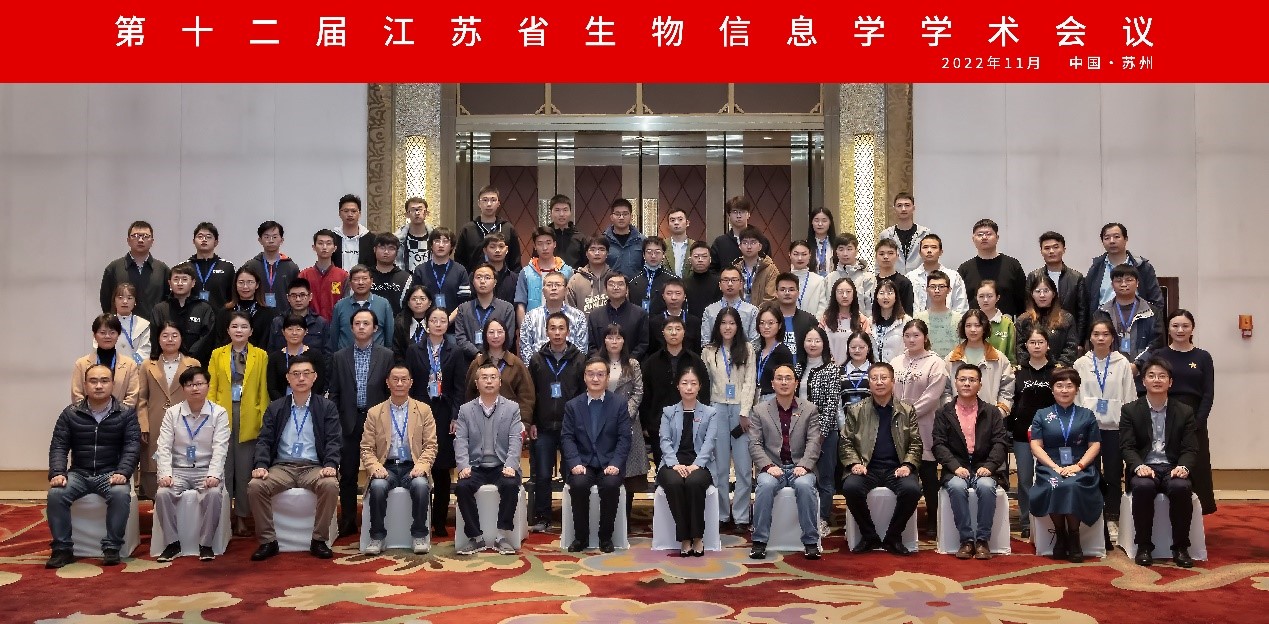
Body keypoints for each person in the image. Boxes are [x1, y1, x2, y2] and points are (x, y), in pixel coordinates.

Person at [45, 364, 142, 569]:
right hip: (79, 473)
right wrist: (58, 472)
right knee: (56, 494)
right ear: (85, 384)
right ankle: (62, 549)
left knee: (119, 493)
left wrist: (123, 472)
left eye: (104, 381)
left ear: (112, 384)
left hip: (111, 473)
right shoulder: (70, 414)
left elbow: (132, 446)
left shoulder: (125, 414)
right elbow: (59, 446)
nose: (99, 386)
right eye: (93, 381)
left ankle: (112, 547)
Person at [246, 355, 342, 561]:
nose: (301, 378)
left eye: (306, 374)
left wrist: (330, 464)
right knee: (255, 486)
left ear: (314, 377)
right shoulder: (276, 407)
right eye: (296, 374)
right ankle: (268, 541)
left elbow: (334, 440)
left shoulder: (326, 407)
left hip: (313, 467)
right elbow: (264, 440)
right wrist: (261, 464)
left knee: (330, 485)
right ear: (288, 378)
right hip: (282, 467)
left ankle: (318, 540)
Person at [1121, 358, 1200, 568]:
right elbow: (1127, 447)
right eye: (1152, 376)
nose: (1157, 380)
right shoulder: (1130, 410)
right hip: (1145, 467)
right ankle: (1144, 546)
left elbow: (1190, 448)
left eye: (1162, 376)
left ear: (1170, 382)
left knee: (1181, 487)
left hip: (1173, 467)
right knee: (1142, 487)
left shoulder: (1184, 411)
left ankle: (1180, 548)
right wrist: (1138, 466)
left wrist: (1183, 467)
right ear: (1143, 381)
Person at [840, 363, 922, 555]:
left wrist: (908, 465)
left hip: (897, 468)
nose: (879, 382)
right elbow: (846, 442)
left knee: (912, 490)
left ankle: (893, 537)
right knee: (851, 487)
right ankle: (869, 536)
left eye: (884, 378)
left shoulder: (906, 410)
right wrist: (854, 463)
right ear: (869, 383)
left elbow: (916, 443)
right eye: (874, 378)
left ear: (893, 382)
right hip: (867, 468)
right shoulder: (856, 410)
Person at [152, 366, 231, 562]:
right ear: (183, 389)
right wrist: (165, 473)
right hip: (179, 470)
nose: (195, 388)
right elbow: (163, 446)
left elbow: (220, 447)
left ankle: (206, 544)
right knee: (162, 494)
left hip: (206, 470)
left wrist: (214, 474)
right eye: (189, 385)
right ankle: (172, 544)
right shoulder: (172, 413)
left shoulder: (219, 413)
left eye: (199, 384)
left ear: (208, 386)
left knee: (214, 493)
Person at [932, 364, 1009, 560]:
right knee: (957, 487)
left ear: (980, 385)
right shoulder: (944, 412)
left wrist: (990, 466)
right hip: (956, 468)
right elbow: (939, 445)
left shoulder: (991, 412)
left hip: (984, 467)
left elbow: (1000, 443)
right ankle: (966, 540)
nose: (967, 383)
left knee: (986, 487)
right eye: (962, 379)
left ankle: (982, 540)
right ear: (955, 383)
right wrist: (954, 466)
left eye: (972, 380)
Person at [360, 364, 438, 555]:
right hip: (386, 467)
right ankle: (377, 537)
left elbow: (431, 445)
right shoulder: (375, 412)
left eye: (404, 379)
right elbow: (366, 448)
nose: (400, 383)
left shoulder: (424, 410)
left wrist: (423, 465)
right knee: (377, 487)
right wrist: (374, 466)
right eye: (395, 379)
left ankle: (419, 535)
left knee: (421, 485)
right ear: (388, 383)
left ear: (411, 383)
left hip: (413, 466)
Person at [1028, 368, 1103, 563]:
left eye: (1069, 386)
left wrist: (1079, 466)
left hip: (1080, 467)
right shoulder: (1042, 414)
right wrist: (1054, 466)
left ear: (1077, 389)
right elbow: (1036, 445)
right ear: (1052, 389)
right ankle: (1060, 534)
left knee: (1072, 485)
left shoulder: (1087, 415)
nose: (1064, 390)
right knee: (1055, 484)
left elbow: (1095, 445)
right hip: (1050, 466)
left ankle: (1074, 537)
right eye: (1059, 386)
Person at [748, 364, 823, 560]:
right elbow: (755, 444)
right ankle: (759, 541)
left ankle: (811, 542)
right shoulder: (760, 410)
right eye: (779, 378)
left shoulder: (809, 409)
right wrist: (768, 466)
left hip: (800, 467)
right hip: (772, 467)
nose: (784, 382)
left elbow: (814, 441)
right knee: (764, 486)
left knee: (805, 486)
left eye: (788, 378)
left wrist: (804, 465)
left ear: (796, 383)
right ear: (772, 383)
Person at [405, 306, 468, 535]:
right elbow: (409, 383)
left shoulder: (455, 350)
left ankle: (439, 522)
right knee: (420, 465)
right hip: (420, 411)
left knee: (442, 469)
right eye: (434, 320)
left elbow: (459, 387)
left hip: (444, 412)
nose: (439, 324)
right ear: (427, 324)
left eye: (443, 320)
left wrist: (455, 415)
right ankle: (421, 519)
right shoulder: (414, 349)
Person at [207, 311, 270, 537]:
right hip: (222, 414)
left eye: (244, 326)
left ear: (251, 331)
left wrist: (263, 419)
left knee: (244, 471)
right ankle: (224, 516)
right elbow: (211, 388)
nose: (239, 330)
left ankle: (242, 516)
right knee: (224, 468)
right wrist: (210, 416)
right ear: (228, 330)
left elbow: (263, 390)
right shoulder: (217, 354)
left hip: (249, 415)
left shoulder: (261, 355)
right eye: (234, 326)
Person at [454, 361, 526, 555]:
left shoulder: (512, 408)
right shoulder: (465, 410)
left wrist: (511, 465)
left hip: (502, 465)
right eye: (484, 378)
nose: (488, 381)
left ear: (500, 382)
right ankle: (475, 537)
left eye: (493, 377)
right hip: (475, 466)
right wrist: (463, 466)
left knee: (511, 484)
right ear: (476, 383)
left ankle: (501, 535)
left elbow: (515, 439)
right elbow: (460, 440)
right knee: (462, 487)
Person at [561, 357, 632, 553]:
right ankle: (581, 537)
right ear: (584, 377)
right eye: (591, 374)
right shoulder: (573, 405)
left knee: (610, 486)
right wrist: (574, 463)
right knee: (578, 485)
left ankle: (605, 537)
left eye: (600, 374)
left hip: (609, 463)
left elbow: (624, 438)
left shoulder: (619, 404)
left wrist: (616, 463)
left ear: (607, 378)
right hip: (583, 462)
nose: (595, 378)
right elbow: (567, 437)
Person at [1148, 310, 1215, 515]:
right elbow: (1152, 385)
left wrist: (1198, 422)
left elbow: (1208, 393)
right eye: (1175, 326)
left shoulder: (1203, 356)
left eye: (1185, 326)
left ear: (1192, 329)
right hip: (1165, 414)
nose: (1180, 330)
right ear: (1168, 329)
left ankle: (1197, 515)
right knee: (1169, 462)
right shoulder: (1159, 355)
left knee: (1196, 463)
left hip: (1195, 417)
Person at [1073, 318, 1136, 538]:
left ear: (1112, 338)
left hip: (1114, 429)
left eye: (1105, 334)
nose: (1101, 338)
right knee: (1089, 472)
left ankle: (1112, 517)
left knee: (1112, 473)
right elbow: (1075, 395)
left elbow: (1129, 396)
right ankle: (1091, 515)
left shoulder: (1122, 363)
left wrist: (1128, 426)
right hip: (1088, 429)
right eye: (1096, 334)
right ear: (1090, 337)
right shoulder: (1081, 364)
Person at [526, 312, 587, 532]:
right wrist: (532, 421)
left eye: (561, 328)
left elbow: (583, 394)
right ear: (547, 331)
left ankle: (572, 515)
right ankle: (543, 517)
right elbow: (531, 394)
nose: (557, 333)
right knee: (542, 474)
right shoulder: (537, 359)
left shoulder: (579, 359)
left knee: (571, 472)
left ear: (568, 331)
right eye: (553, 328)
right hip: (543, 427)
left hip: (571, 427)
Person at [701, 307, 757, 529]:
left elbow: (750, 382)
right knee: (720, 467)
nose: (727, 327)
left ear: (738, 326)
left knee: (743, 467)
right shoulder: (709, 351)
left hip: (741, 410)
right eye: (723, 323)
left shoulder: (747, 349)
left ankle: (741, 515)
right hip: (717, 409)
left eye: (732, 323)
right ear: (717, 326)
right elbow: (705, 384)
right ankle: (722, 513)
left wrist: (745, 412)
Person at [891, 318, 950, 533]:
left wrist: (907, 414)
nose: (911, 339)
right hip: (897, 425)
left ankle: (933, 518)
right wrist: (897, 414)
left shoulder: (936, 363)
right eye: (907, 336)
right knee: (903, 472)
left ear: (925, 337)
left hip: (925, 425)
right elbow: (889, 390)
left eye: (916, 335)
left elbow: (932, 397)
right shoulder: (896, 362)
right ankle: (903, 519)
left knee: (927, 473)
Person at [658, 366, 718, 557]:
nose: (689, 387)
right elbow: (664, 441)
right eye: (684, 383)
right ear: (678, 386)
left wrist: (696, 465)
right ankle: (685, 538)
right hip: (672, 463)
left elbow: (709, 443)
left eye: (693, 383)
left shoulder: (710, 413)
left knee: (693, 483)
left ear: (700, 386)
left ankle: (697, 537)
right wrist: (674, 464)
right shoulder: (668, 412)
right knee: (674, 483)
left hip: (700, 463)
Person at [137, 322, 201, 498]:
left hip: (185, 423)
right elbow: (141, 398)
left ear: (181, 338)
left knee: (184, 463)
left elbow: (198, 395)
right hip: (155, 422)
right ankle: (156, 503)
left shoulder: (192, 364)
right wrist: (143, 425)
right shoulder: (147, 365)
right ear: (158, 339)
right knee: (154, 465)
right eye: (165, 336)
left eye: (174, 335)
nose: (170, 339)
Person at [641, 317, 711, 467]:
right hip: (659, 424)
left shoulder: (695, 360)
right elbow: (645, 395)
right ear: (663, 333)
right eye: (669, 329)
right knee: (663, 469)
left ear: (684, 333)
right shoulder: (651, 362)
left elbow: (704, 392)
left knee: (691, 469)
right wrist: (646, 424)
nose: (674, 333)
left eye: (678, 329)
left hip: (691, 424)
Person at [1011, 329, 1057, 537]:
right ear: (1026, 346)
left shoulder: (1056, 372)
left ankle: (1048, 517)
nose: (1037, 346)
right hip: (1022, 435)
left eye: (1041, 342)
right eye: (1032, 342)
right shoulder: (1017, 373)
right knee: (1024, 479)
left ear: (1048, 345)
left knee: (1049, 477)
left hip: (1050, 435)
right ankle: (1026, 522)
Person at [797, 326, 843, 536]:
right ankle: (803, 518)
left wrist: (821, 434)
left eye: (817, 340)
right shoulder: (798, 368)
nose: (813, 344)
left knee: (825, 478)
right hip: (800, 432)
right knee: (803, 476)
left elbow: (832, 404)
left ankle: (822, 518)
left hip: (826, 433)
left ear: (824, 343)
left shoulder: (832, 369)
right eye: (809, 340)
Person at [601, 324, 647, 524]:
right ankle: (606, 518)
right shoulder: (597, 362)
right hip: (602, 422)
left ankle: (625, 519)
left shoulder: (632, 364)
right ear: (604, 340)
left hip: (628, 421)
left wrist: (623, 414)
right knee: (606, 469)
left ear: (624, 341)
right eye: (610, 337)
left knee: (627, 472)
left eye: (618, 338)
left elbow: (638, 392)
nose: (614, 341)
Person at [943, 309, 1016, 422]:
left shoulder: (999, 359)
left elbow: (1007, 391)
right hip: (957, 421)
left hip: (990, 421)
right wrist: (952, 413)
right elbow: (945, 390)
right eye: (968, 325)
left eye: (977, 325)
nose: (973, 330)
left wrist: (997, 413)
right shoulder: (952, 359)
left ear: (984, 328)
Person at [1092, 264, 1164, 375]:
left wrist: (1138, 365)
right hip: (1109, 372)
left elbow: (1157, 344)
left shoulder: (1152, 312)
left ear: (1137, 283)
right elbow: (1096, 342)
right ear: (1112, 284)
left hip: (1143, 373)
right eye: (1118, 281)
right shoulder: (1101, 313)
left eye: (1129, 280)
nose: (1123, 284)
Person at [464, 318, 535, 427]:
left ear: (506, 335)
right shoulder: (477, 364)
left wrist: (523, 423)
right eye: (491, 332)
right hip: (481, 424)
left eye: (500, 332)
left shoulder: (516, 364)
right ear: (485, 335)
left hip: (510, 423)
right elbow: (469, 395)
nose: (496, 336)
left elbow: (526, 397)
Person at [1086, 222, 1164, 317]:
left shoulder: (1142, 267)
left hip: (1136, 320)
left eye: (1116, 237)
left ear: (1126, 239)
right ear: (1102, 242)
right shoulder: (1096, 268)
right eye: (1107, 238)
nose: (1112, 241)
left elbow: (1156, 300)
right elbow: (1087, 302)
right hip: (1103, 321)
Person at [99, 220, 170, 321]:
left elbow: (167, 301)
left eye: (145, 236)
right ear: (128, 240)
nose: (140, 240)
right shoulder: (114, 268)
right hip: (120, 326)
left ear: (152, 241)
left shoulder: (162, 269)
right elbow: (106, 301)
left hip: (154, 327)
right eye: (135, 236)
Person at [957, 218, 1028, 317]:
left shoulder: (1012, 265)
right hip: (974, 324)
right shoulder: (965, 269)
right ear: (973, 239)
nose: (984, 237)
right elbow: (959, 302)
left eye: (988, 234)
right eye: (980, 234)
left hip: (1006, 324)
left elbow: (1022, 299)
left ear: (997, 237)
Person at [151, 263, 218, 365]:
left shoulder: (204, 308)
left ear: (193, 283)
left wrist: (188, 359)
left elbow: (207, 338)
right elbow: (155, 338)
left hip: (196, 365)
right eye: (176, 279)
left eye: (184, 279)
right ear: (169, 283)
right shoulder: (160, 309)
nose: (180, 283)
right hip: (165, 364)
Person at [72, 314, 142, 409]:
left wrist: (117, 414)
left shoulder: (130, 364)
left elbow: (132, 396)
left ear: (118, 335)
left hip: (120, 416)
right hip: (87, 416)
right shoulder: (81, 364)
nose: (107, 336)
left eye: (112, 332)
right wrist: (91, 414)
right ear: (94, 335)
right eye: (102, 332)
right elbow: (77, 395)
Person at [519, 271, 588, 365]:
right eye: (549, 285)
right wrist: (534, 368)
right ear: (543, 291)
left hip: (571, 368)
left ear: (566, 290)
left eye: (558, 285)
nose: (553, 288)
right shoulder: (531, 317)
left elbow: (582, 349)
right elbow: (525, 348)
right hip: (538, 368)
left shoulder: (578, 316)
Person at [1032, 231, 1088, 341]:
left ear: (1064, 249)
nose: (1051, 251)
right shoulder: (1034, 276)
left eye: (1055, 247)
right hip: (1039, 337)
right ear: (1041, 251)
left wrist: (1080, 342)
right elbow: (1029, 307)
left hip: (1068, 335)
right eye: (1047, 248)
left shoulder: (1076, 278)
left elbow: (1082, 312)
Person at [455, 263, 518, 360]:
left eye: (487, 278)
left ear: (495, 282)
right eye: (478, 277)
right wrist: (477, 354)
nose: (482, 281)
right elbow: (460, 338)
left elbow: (508, 338)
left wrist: (490, 355)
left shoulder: (507, 308)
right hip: (469, 361)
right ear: (473, 282)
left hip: (498, 361)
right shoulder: (463, 309)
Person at [1015, 273, 1079, 367]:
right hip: (1031, 371)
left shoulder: (1066, 318)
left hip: (1059, 371)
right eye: (1038, 291)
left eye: (1046, 291)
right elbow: (1020, 349)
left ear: (1053, 294)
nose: (1042, 295)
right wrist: (1032, 367)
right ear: (1032, 294)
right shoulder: (1023, 320)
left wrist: (1059, 366)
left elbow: (1071, 347)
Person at [455, 185, 523, 272]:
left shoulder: (507, 229)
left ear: (498, 203)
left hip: (503, 278)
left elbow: (515, 260)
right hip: (475, 278)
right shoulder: (468, 230)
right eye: (485, 200)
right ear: (479, 203)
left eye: (493, 200)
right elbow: (459, 260)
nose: (489, 204)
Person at [517, 226, 575, 326]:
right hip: (534, 326)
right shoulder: (526, 273)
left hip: (561, 327)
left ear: (554, 244)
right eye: (540, 244)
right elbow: (520, 305)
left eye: (548, 243)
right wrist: (524, 329)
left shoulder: (567, 271)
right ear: (534, 246)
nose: (545, 248)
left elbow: (572, 303)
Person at [329, 265, 394, 350]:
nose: (360, 282)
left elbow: (389, 338)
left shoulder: (383, 304)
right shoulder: (340, 305)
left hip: (377, 356)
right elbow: (334, 338)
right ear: (350, 283)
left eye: (364, 278)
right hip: (346, 357)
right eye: (356, 279)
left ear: (371, 281)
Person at [211, 266, 277, 351]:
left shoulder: (267, 313)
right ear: (235, 284)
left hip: (258, 357)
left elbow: (268, 344)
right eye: (241, 282)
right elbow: (218, 342)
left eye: (250, 282)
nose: (245, 287)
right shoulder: (225, 312)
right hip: (227, 357)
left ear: (257, 285)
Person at [587, 273, 650, 360]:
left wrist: (630, 361)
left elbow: (643, 343)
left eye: (620, 284)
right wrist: (601, 363)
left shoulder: (640, 314)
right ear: (605, 289)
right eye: (611, 284)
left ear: (627, 289)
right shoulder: (595, 316)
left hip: (631, 364)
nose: (616, 287)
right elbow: (591, 346)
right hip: (602, 365)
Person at [267, 315, 328, 400]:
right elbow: (272, 388)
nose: (294, 333)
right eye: (290, 329)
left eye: (298, 329)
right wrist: (283, 404)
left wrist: (308, 402)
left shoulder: (315, 355)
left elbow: (320, 384)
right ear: (283, 332)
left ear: (306, 331)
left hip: (311, 403)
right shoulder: (275, 357)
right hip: (282, 404)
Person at [241, 221, 300, 309]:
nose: (271, 240)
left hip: (284, 314)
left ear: (282, 240)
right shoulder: (251, 266)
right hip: (257, 313)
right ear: (260, 240)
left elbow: (297, 293)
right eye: (266, 237)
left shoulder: (291, 267)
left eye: (275, 237)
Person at [412, 226, 472, 313]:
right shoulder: (420, 270)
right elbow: (416, 300)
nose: (441, 245)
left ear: (452, 246)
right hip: (427, 320)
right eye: (437, 241)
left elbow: (464, 303)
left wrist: (448, 319)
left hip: (454, 320)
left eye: (445, 241)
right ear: (431, 245)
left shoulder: (460, 270)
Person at [907, 234, 969, 314]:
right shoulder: (910, 277)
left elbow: (961, 305)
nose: (929, 250)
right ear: (920, 252)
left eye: (934, 247)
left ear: (941, 252)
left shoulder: (953, 276)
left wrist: (955, 321)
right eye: (925, 247)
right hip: (917, 321)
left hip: (949, 320)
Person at [266, 278, 330, 356]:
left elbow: (327, 354)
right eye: (293, 296)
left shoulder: (320, 323)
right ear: (288, 298)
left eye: (302, 295)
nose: (298, 299)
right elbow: (271, 351)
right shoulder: (278, 322)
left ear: (310, 296)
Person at [297, 229, 350, 323]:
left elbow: (345, 305)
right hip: (309, 326)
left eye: (328, 243)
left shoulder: (343, 276)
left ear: (335, 248)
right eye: (320, 243)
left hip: (335, 325)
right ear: (314, 247)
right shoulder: (304, 275)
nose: (324, 247)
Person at [700, 266, 759, 347]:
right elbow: (705, 343)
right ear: (720, 285)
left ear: (741, 284)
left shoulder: (752, 311)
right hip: (715, 354)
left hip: (743, 354)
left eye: (734, 280)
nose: (730, 284)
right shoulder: (709, 311)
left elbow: (755, 344)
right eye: (726, 280)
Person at [710, 196, 771, 272]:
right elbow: (712, 271)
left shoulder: (761, 240)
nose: (738, 216)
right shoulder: (720, 242)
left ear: (748, 214)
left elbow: (768, 268)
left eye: (742, 211)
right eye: (735, 212)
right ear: (728, 215)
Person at [878, 192, 932, 275]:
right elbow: (879, 262)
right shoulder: (886, 234)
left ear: (913, 208)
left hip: (919, 279)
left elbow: (932, 259)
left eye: (907, 205)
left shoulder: (924, 233)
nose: (903, 209)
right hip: (893, 279)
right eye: (899, 205)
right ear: (894, 208)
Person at [646, 278, 703, 356]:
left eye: (678, 293)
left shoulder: (694, 322)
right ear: (663, 296)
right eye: (669, 293)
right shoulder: (654, 322)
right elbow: (651, 351)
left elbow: (697, 350)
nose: (673, 297)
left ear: (684, 296)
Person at [822, 277, 872, 364]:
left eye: (848, 292)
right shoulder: (826, 319)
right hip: (830, 367)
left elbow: (868, 347)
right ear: (834, 294)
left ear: (854, 294)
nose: (844, 296)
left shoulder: (862, 320)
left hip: (855, 368)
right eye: (840, 292)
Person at [914, 271, 963, 358]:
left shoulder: (959, 318)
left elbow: (963, 346)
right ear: (926, 289)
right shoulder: (919, 318)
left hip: (953, 363)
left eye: (941, 287)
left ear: (949, 290)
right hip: (926, 363)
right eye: (933, 287)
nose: (937, 290)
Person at [188, 222, 236, 310]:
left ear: (216, 242)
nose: (204, 239)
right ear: (193, 241)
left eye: (209, 237)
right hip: (191, 316)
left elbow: (233, 297)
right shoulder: (185, 267)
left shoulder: (227, 267)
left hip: (220, 316)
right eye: (200, 236)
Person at [774, 272, 821, 362]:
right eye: (782, 289)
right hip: (774, 368)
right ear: (776, 293)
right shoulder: (770, 319)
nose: (787, 293)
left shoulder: (809, 320)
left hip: (802, 368)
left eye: (791, 290)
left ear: (798, 293)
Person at [825, 233, 876, 314]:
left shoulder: (867, 278)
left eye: (849, 249)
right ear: (836, 252)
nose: (845, 253)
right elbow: (827, 305)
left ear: (856, 251)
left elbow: (871, 307)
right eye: (841, 249)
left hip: (861, 321)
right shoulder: (830, 278)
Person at [755, 305, 796, 403]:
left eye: (771, 323)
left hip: (775, 400)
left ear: (779, 325)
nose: (766, 327)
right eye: (762, 323)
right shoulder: (758, 352)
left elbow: (788, 382)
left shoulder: (783, 352)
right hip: (757, 398)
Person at [567, 235, 618, 314]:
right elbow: (569, 311)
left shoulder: (615, 279)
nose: (597, 253)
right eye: (592, 249)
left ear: (607, 253)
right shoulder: (575, 280)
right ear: (586, 254)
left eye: (601, 249)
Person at [368, 232, 414, 315]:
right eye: (382, 247)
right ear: (374, 249)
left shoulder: (406, 278)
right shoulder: (365, 275)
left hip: (396, 322)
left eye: (391, 248)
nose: (386, 252)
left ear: (397, 252)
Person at [628, 236, 675, 316]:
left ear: (664, 254)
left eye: (657, 252)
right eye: (649, 252)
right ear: (643, 255)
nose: (653, 256)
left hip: (663, 322)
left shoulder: (672, 280)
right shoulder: (633, 280)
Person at [975, 281, 1017, 365]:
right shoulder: (971, 322)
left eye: (990, 296)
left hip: (1001, 369)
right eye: (981, 296)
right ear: (976, 298)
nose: (985, 300)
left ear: (997, 297)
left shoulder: (1007, 323)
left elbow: (1011, 356)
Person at [870, 279, 911, 364]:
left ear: (896, 297)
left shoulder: (906, 321)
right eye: (881, 293)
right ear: (876, 297)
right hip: (875, 369)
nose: (885, 297)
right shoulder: (869, 322)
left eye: (890, 293)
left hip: (898, 368)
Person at [109, 284, 151, 365]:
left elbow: (146, 349)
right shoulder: (106, 323)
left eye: (129, 298)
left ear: (135, 302)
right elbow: (99, 346)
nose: (125, 301)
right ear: (114, 301)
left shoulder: (143, 324)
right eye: (120, 298)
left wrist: (130, 365)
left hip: (136, 368)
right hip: (111, 367)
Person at [604, 198, 647, 278]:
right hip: (610, 284)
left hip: (635, 285)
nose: (621, 217)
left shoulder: (641, 240)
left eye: (625, 214)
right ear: (611, 217)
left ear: (631, 217)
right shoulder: (603, 241)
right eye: (617, 214)